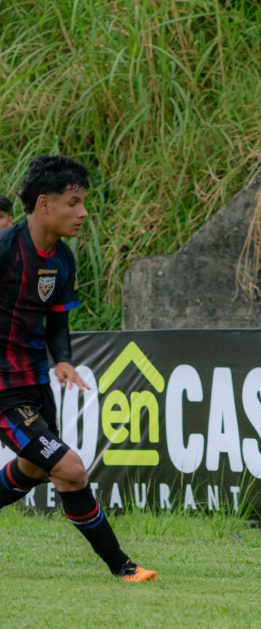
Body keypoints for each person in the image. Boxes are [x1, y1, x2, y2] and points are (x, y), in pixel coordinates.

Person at [0, 155, 156, 582]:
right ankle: (123, 567)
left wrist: (64, 360)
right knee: (70, 470)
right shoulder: (7, 250)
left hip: (35, 382)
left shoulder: (62, 261)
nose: (83, 212)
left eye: (83, 202)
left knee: (35, 469)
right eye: (74, 202)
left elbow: (58, 325)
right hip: (3, 389)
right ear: (44, 204)